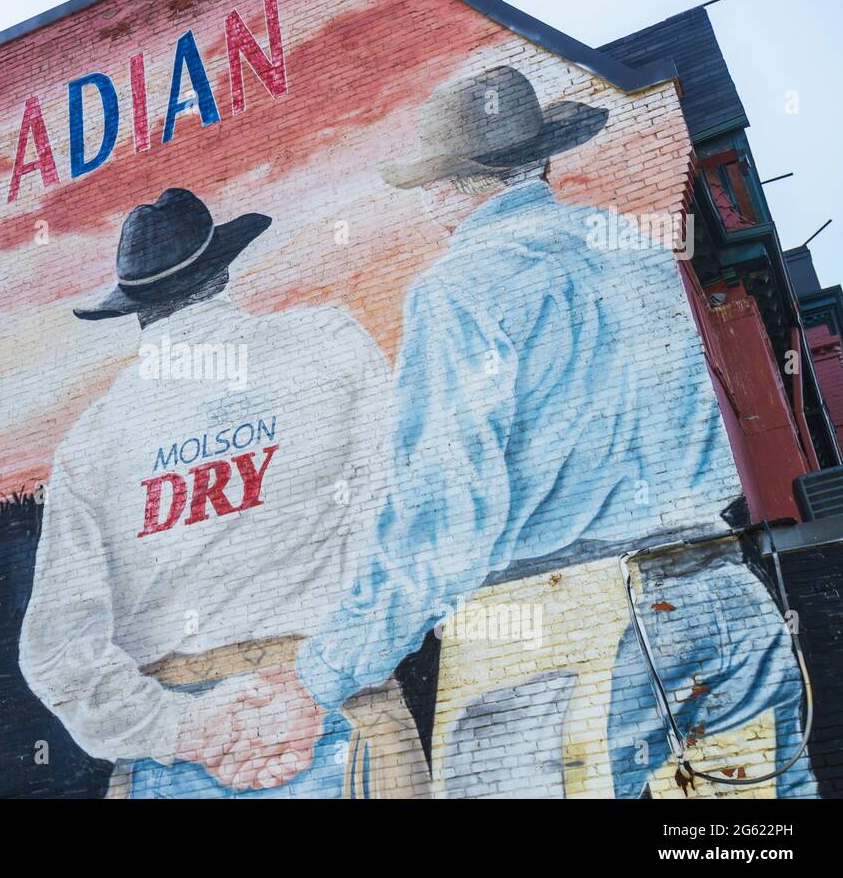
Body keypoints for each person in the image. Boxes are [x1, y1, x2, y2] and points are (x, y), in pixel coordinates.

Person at [288, 65, 815, 797]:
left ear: (446, 189)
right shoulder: (637, 251)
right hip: (718, 588)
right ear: (536, 160)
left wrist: (330, 668)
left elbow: (442, 518)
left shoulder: (456, 290)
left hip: (553, 626)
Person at [19, 187, 428, 797]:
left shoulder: (93, 440)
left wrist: (188, 728)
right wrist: (316, 683)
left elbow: (56, 652)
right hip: (342, 720)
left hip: (174, 766)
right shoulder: (330, 343)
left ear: (135, 304)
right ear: (222, 266)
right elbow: (406, 531)